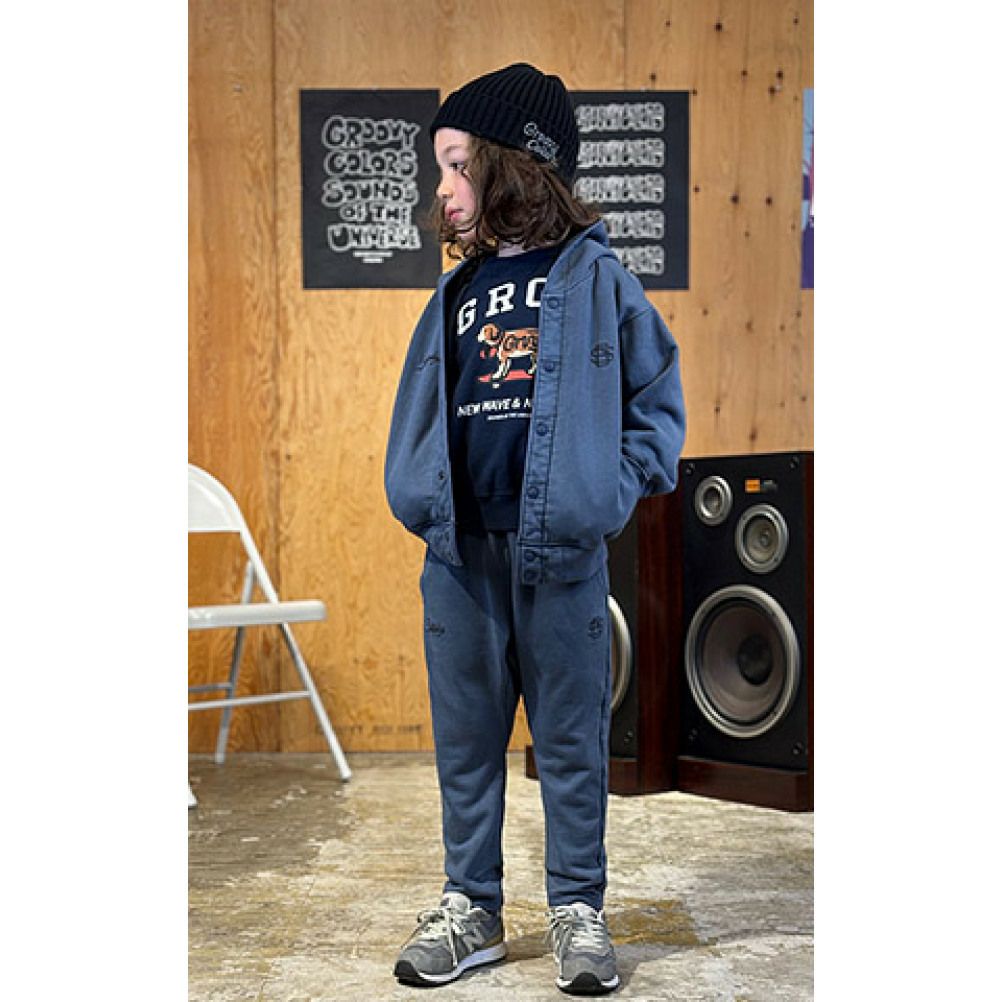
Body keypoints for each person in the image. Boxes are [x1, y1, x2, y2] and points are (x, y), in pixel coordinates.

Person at [384, 62, 686, 995]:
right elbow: (423, 410)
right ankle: (471, 907)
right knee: (466, 742)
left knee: (569, 744)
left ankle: (577, 909)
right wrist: (416, 493)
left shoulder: (598, 280)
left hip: (561, 557)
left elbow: (655, 402)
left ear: (515, 164)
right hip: (460, 556)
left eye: (456, 165)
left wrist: (607, 492)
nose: (442, 189)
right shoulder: (456, 293)